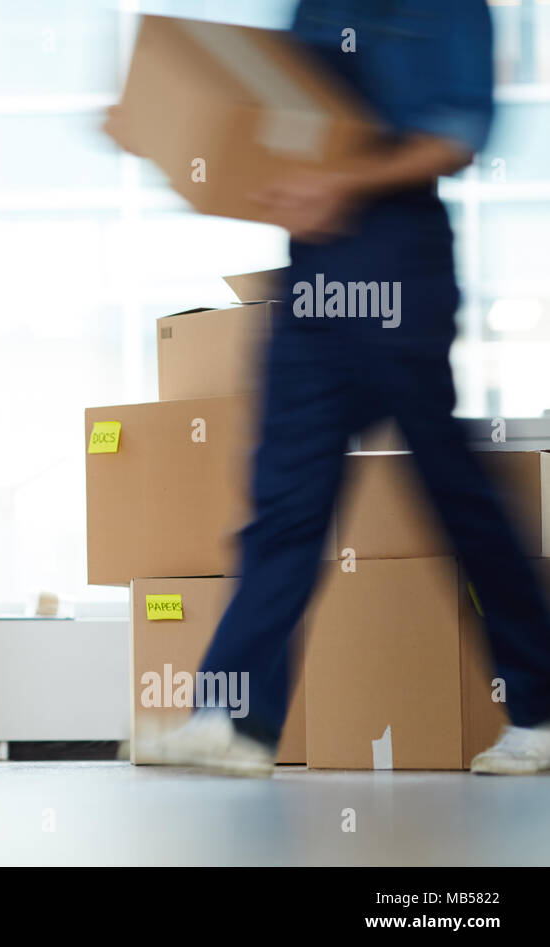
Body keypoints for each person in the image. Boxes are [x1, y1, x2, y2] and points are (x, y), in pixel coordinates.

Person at [106, 0, 550, 776]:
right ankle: (233, 721)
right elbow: (271, 116)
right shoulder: (318, 5)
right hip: (312, 275)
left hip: (397, 267)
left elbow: (455, 138)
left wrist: (344, 179)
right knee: (284, 502)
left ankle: (543, 711)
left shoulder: (449, 9)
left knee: (455, 494)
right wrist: (171, 131)